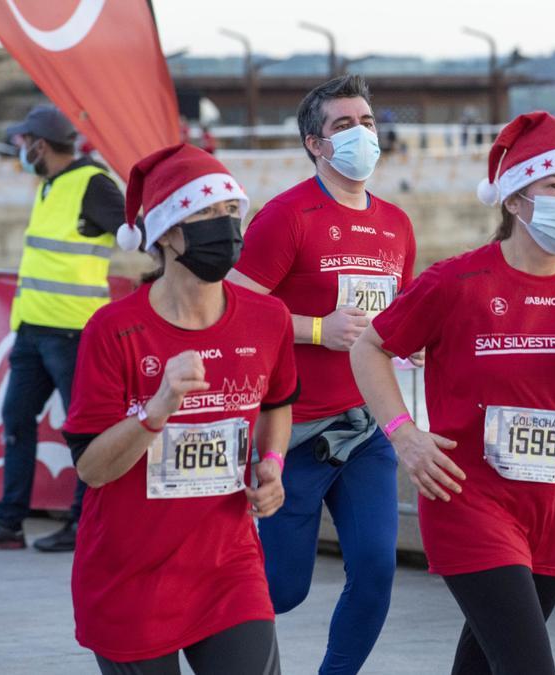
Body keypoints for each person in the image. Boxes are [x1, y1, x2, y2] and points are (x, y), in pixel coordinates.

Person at [351, 111, 555, 674]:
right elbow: (368, 348)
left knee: (485, 662)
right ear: (515, 200)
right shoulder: (457, 282)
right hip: (469, 501)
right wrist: (404, 436)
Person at [62, 143, 297, 673]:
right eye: (207, 214)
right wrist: (156, 410)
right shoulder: (113, 329)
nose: (228, 227)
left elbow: (277, 404)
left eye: (231, 212)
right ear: (166, 231)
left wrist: (273, 464)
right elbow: (91, 469)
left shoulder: (268, 318)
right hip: (131, 577)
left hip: (228, 569)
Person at [226, 74, 415, 675]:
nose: (360, 133)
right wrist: (314, 329)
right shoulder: (287, 217)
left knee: (377, 570)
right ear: (315, 144)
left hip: (366, 430)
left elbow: (400, 320)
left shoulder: (397, 224)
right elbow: (231, 309)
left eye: (367, 122)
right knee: (282, 589)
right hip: (296, 433)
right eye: (343, 125)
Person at [0, 104, 124, 552]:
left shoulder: (93, 183)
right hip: (32, 329)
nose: (19, 149)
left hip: (73, 332)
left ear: (40, 145)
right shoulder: (51, 183)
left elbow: (136, 234)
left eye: (23, 142)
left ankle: (84, 524)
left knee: (84, 429)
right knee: (17, 423)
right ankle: (9, 524)